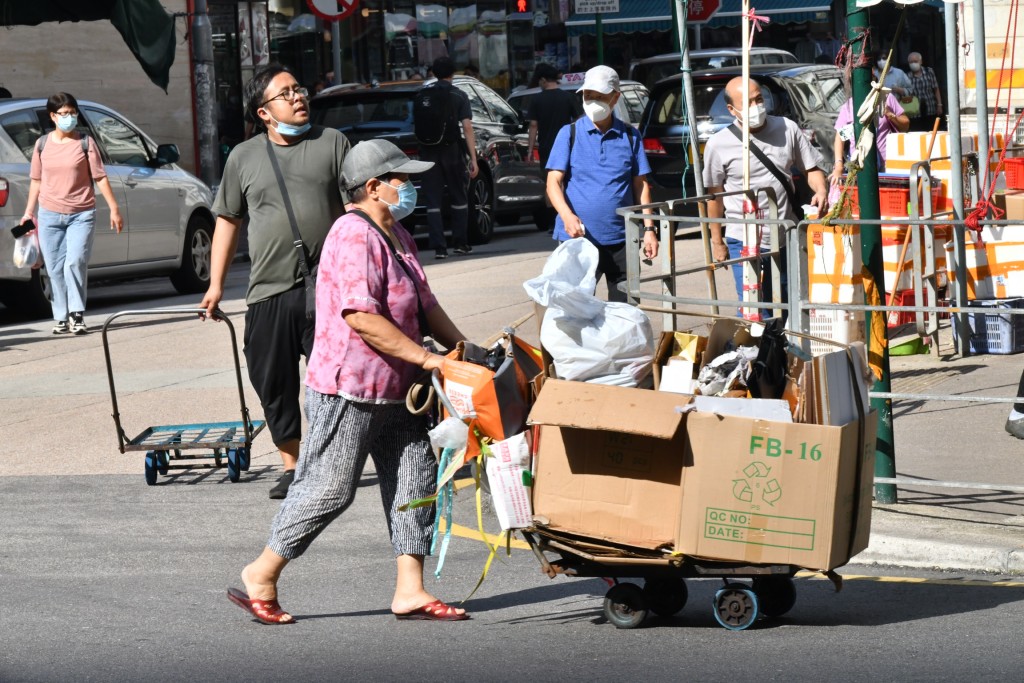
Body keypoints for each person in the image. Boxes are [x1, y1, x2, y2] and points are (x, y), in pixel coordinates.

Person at [227, 139, 469, 625]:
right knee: (330, 488)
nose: (411, 186)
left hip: (400, 387)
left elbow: (426, 305)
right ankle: (262, 571)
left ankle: (410, 590)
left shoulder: (398, 234)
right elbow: (361, 316)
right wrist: (428, 359)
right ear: (374, 187)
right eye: (402, 178)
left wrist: (465, 352)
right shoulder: (352, 234)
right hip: (349, 387)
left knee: (412, 481)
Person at [201, 64, 351, 500]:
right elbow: (228, 221)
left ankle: (334, 460)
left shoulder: (333, 143)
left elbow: (356, 209)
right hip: (268, 289)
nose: (299, 96)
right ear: (264, 112)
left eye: (299, 88)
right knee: (273, 381)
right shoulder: (244, 157)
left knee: (335, 381)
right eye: (286, 93)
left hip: (327, 286)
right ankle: (292, 465)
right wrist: (215, 286)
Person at [703, 77, 828, 308]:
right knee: (753, 306)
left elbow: (811, 168)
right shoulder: (717, 144)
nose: (756, 107)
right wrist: (717, 241)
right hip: (743, 236)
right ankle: (753, 343)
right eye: (748, 102)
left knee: (786, 303)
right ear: (731, 109)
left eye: (759, 99)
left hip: (784, 234)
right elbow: (714, 196)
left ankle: (779, 343)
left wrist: (821, 189)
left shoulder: (787, 128)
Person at [546, 65, 658, 302]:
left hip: (622, 240)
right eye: (588, 96)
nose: (593, 102)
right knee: (575, 309)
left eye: (600, 97)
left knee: (626, 310)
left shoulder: (630, 136)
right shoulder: (569, 133)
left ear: (615, 97)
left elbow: (641, 185)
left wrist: (649, 229)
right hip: (578, 241)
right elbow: (553, 183)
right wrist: (567, 216)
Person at [21, 92, 124, 335]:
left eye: (72, 113)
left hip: (82, 213)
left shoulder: (85, 143)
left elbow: (99, 177)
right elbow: (36, 181)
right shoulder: (42, 145)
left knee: (75, 261)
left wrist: (114, 208)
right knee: (54, 269)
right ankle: (61, 317)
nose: (69, 118)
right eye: (64, 114)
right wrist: (28, 213)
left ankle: (76, 314)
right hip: (49, 215)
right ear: (53, 116)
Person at [415, 56, 479, 260]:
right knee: (458, 196)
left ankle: (439, 247)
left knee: (432, 200)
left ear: (433, 72)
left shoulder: (422, 95)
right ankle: (460, 243)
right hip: (452, 152)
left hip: (427, 153)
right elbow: (467, 128)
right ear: (452, 73)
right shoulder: (458, 95)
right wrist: (473, 159)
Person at [526, 63, 583, 233]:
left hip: (547, 148)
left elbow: (533, 126)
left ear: (543, 80)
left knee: (551, 184)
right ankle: (571, 215)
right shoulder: (567, 97)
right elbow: (580, 119)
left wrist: (530, 150)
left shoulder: (536, 99)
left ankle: (554, 222)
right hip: (570, 146)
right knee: (569, 183)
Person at [832, 90, 909, 177]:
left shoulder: (886, 97)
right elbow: (840, 137)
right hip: (860, 166)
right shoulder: (849, 105)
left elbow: (905, 126)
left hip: (887, 166)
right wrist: (839, 165)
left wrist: (889, 114)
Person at [906, 52, 944, 132]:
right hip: (915, 112)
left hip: (930, 108)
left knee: (931, 131)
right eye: (911, 62)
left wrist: (939, 105)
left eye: (915, 61)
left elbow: (936, 89)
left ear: (921, 62)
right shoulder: (907, 76)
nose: (913, 64)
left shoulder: (929, 72)